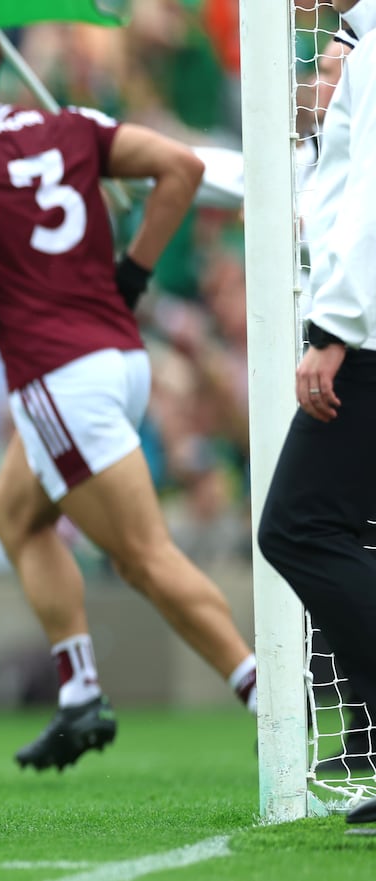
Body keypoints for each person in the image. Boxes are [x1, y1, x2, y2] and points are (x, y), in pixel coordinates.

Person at [0, 13, 258, 773]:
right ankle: (80, 693)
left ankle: (270, 702)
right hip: (122, 359)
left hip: (58, 378)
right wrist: (134, 271)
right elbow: (182, 169)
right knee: (15, 516)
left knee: (144, 558)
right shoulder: (68, 121)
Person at [256, 0, 376, 826]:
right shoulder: (361, 40)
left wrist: (332, 326)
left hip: (366, 333)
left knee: (297, 525)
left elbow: (371, 194)